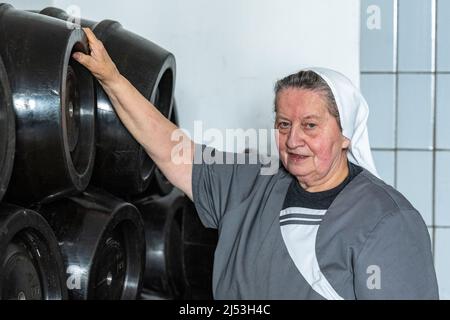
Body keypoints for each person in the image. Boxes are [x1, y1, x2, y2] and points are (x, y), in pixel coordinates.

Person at [73, 28, 439, 300]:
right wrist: (113, 80)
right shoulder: (250, 179)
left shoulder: (388, 223)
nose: (293, 139)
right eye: (283, 124)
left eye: (310, 125)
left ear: (346, 135)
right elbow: (171, 149)